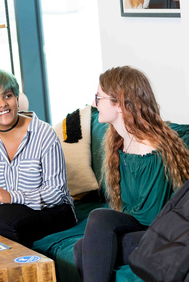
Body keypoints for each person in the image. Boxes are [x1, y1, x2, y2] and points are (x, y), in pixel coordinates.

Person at [73, 66, 189, 282]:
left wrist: (113, 223)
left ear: (119, 103)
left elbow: (151, 217)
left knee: (98, 221)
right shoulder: (119, 142)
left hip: (162, 235)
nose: (94, 103)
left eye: (99, 97)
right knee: (82, 247)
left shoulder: (152, 149)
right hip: (142, 229)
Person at [0, 68, 76, 248]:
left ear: (16, 99)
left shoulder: (44, 134)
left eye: (7, 96)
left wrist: (11, 196)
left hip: (53, 211)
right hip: (10, 214)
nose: (2, 104)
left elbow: (56, 192)